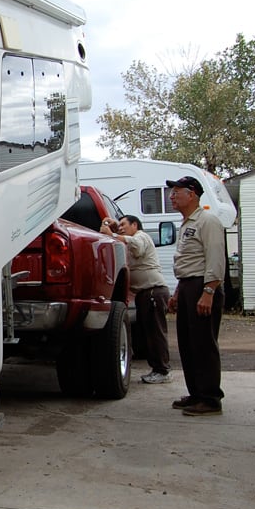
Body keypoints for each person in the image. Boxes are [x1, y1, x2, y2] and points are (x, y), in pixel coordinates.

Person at [165, 176, 226, 416]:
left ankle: (211, 399)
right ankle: (196, 394)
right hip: (189, 286)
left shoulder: (207, 221)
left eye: (176, 192)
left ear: (192, 194)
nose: (172, 196)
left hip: (204, 286)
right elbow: (187, 262)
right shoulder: (185, 223)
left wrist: (208, 292)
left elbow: (215, 259)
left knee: (203, 344)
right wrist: (178, 292)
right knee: (188, 345)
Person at [99, 213, 171, 383]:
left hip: (153, 292)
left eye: (124, 224)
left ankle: (162, 371)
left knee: (156, 333)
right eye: (120, 224)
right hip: (145, 294)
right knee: (149, 333)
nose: (121, 227)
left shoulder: (141, 237)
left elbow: (137, 247)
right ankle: (158, 369)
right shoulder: (127, 242)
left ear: (135, 225)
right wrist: (116, 229)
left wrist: (113, 235)